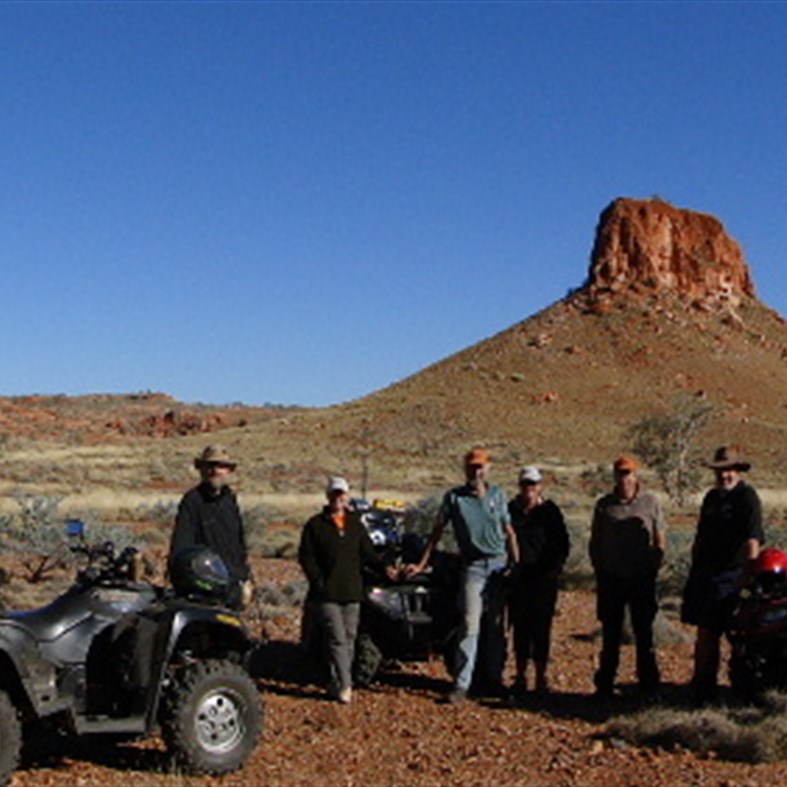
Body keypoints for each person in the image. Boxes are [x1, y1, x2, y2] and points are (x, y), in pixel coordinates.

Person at [407, 447, 519, 704]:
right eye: (471, 467)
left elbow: (509, 531)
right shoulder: (454, 498)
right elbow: (436, 533)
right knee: (470, 624)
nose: (476, 472)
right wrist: (422, 564)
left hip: (498, 565)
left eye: (480, 467)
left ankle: (494, 680)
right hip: (473, 566)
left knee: (495, 626)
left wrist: (515, 564)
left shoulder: (498, 495)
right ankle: (461, 684)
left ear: (488, 469)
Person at [298, 476, 398, 704]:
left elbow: (368, 554)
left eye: (342, 494)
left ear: (347, 496)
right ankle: (346, 685)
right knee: (337, 639)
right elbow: (306, 557)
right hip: (326, 594)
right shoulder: (315, 525)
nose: (338, 498)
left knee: (350, 638)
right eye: (334, 494)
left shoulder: (354, 525)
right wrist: (318, 582)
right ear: (328, 496)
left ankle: (336, 682)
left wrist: (386, 569)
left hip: (352, 592)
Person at [682, 445, 764, 702]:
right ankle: (703, 689)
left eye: (728, 470)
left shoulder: (747, 498)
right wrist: (695, 568)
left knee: (739, 639)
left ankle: (742, 690)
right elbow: (701, 535)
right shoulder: (711, 498)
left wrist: (747, 579)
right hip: (707, 575)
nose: (724, 475)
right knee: (706, 634)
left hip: (733, 577)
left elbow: (753, 541)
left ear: (738, 471)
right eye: (719, 470)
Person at [589, 455, 666, 699]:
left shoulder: (650, 503)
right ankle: (605, 684)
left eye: (628, 473)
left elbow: (660, 539)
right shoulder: (604, 505)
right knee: (611, 633)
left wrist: (653, 568)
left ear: (636, 476)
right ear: (615, 476)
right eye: (620, 474)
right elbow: (595, 542)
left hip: (641, 579)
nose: (624, 479)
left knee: (644, 633)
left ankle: (649, 684)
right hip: (611, 578)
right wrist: (600, 570)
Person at [507, 466, 570, 697]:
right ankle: (521, 676)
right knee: (520, 628)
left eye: (532, 485)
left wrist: (554, 571)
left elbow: (563, 545)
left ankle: (541, 677)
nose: (529, 489)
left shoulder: (550, 512)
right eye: (525, 484)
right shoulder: (510, 510)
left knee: (542, 629)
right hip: (519, 580)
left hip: (544, 579)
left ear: (540, 486)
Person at [169, 444, 252, 610]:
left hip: (231, 585)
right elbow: (181, 547)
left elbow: (238, 543)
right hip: (202, 588)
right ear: (201, 469)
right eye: (211, 466)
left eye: (221, 466)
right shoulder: (192, 501)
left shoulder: (230, 500)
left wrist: (245, 577)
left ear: (229, 470)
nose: (216, 471)